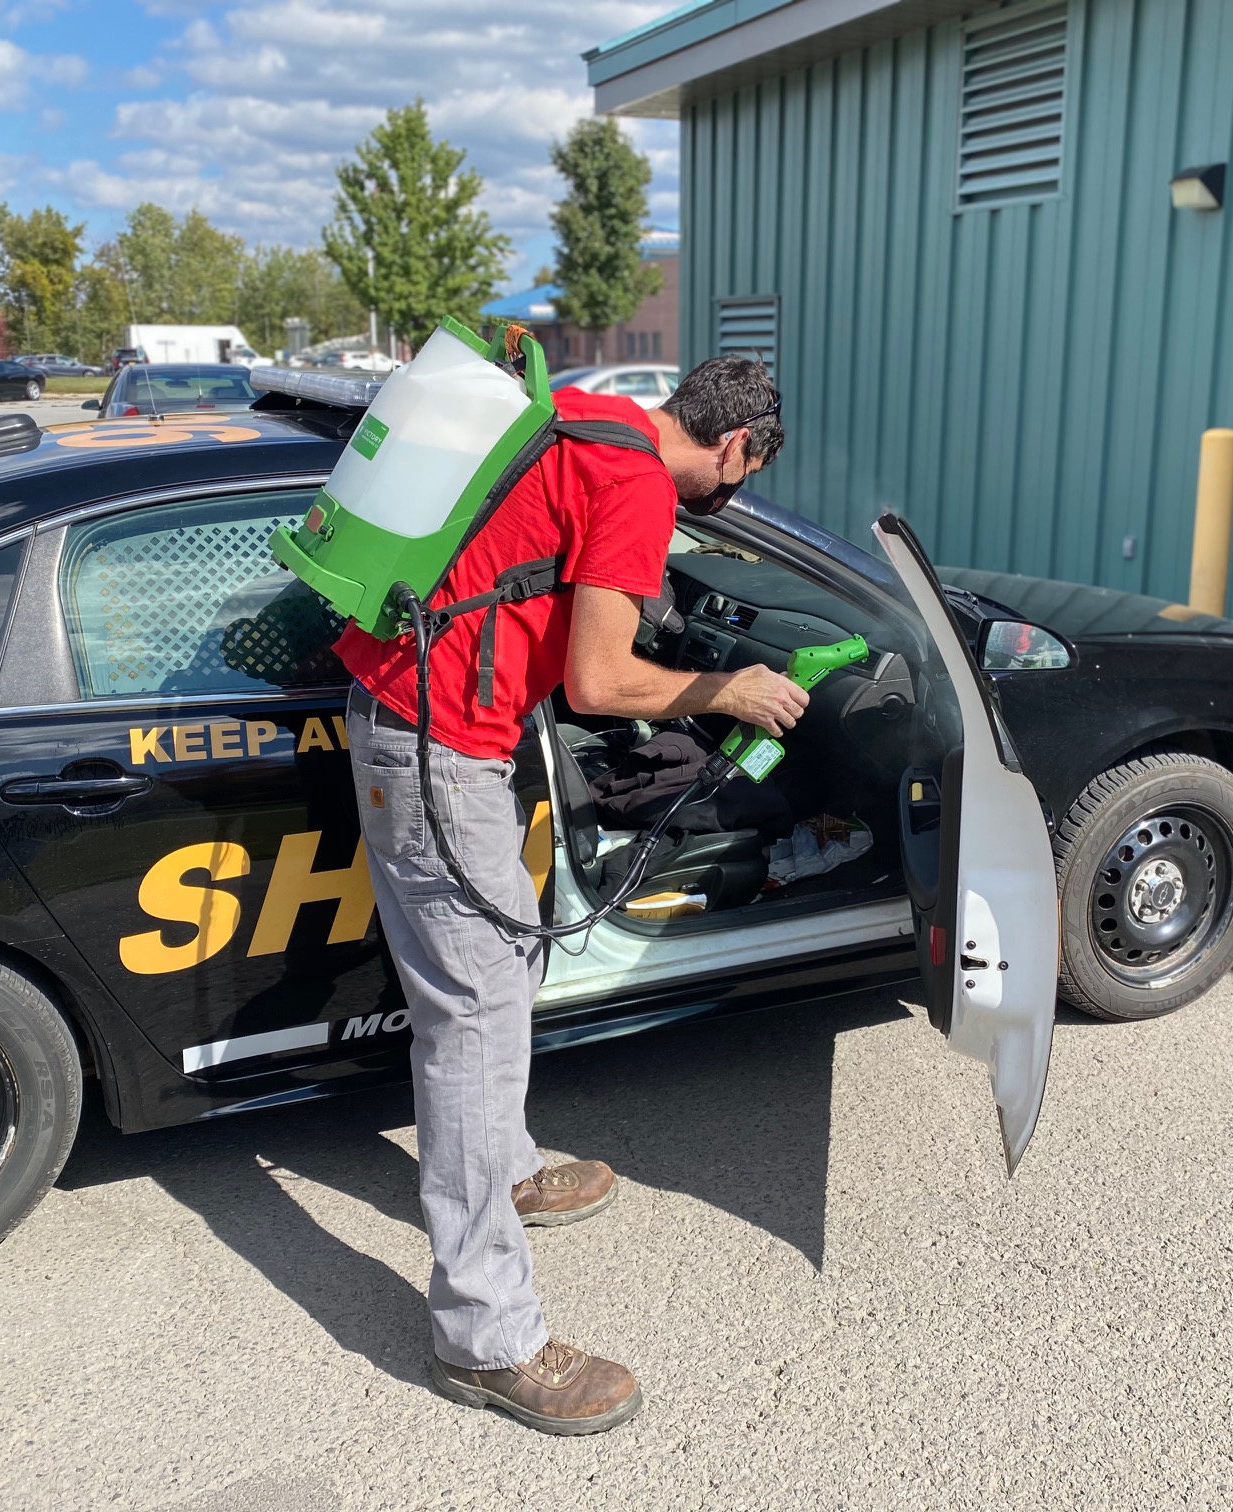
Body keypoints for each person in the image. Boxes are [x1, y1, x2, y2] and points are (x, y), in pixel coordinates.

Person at [339, 356, 802, 1436]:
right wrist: (726, 686)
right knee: (473, 1020)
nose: (733, 490)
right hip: (434, 742)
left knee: (507, 967)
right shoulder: (639, 486)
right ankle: (485, 1336)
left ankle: (505, 1169)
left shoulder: (589, 416)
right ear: (737, 449)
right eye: (745, 474)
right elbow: (601, 682)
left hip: (427, 718)